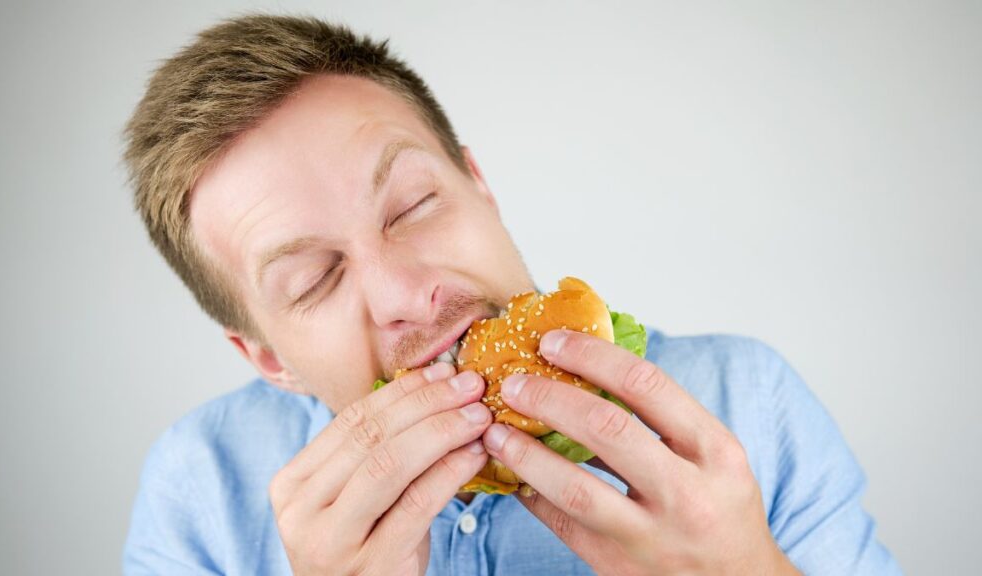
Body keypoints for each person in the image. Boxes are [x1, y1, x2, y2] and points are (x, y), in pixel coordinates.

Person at [121, 14, 900, 575]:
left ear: (480, 188)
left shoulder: (747, 405)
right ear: (267, 357)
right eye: (316, 279)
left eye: (413, 207)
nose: (406, 294)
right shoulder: (200, 486)